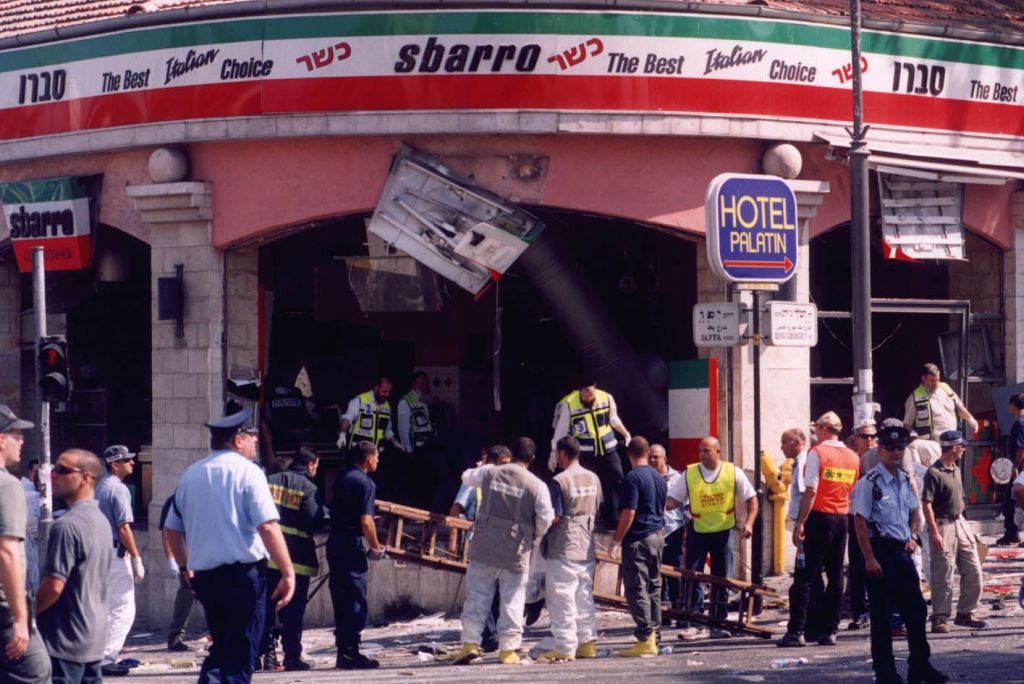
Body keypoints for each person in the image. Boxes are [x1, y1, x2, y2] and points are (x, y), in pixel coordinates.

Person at [163, 407, 296, 684]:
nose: (256, 441)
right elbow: (268, 526)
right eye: (252, 436)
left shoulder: (190, 475)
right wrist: (287, 572)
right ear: (238, 440)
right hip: (243, 577)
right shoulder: (249, 473)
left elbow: (171, 529)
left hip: (206, 579)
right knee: (241, 652)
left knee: (222, 647)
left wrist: (185, 566)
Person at [851, 421, 949, 684]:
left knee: (916, 612)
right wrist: (869, 558)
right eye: (891, 448)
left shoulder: (906, 480)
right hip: (880, 553)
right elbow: (859, 522)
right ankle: (885, 673)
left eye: (900, 448)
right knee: (882, 617)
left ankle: (920, 666)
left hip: (902, 552)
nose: (896, 452)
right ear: (880, 450)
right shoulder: (869, 483)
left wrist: (913, 535)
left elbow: (914, 510)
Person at [453, 437, 553, 666]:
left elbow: (465, 477)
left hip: (484, 546)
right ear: (532, 458)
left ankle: (469, 644)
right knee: (513, 601)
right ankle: (508, 650)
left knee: (477, 598)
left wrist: (482, 466)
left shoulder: (489, 472)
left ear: (511, 452)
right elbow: (546, 518)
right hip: (515, 550)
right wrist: (533, 535)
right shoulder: (537, 485)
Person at [779, 412, 859, 648]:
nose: (814, 433)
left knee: (804, 577)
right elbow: (852, 490)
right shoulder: (852, 457)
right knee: (835, 577)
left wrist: (800, 523)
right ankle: (830, 631)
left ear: (824, 430)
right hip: (841, 519)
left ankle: (796, 631)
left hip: (818, 518)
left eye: (817, 429)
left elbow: (811, 491)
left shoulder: (818, 453)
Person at [668, 436, 757, 640]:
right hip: (697, 530)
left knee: (721, 578)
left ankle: (718, 621)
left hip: (723, 531)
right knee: (694, 577)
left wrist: (749, 523)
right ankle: (696, 623)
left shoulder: (732, 472)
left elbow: (752, 499)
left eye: (706, 450)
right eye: (700, 450)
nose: (702, 454)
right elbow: (673, 500)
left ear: (718, 452)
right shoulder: (690, 473)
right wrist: (655, 504)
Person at [37, 449, 112, 684]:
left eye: (62, 470)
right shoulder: (100, 521)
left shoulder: (67, 526)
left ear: (86, 477)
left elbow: (54, 585)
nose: (53, 476)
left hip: (64, 639)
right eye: (53, 469)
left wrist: (26, 614)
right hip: (92, 637)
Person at [538, 436, 602, 662]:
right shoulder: (594, 478)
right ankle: (587, 643)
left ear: (562, 453)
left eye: (557, 454)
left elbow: (554, 516)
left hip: (563, 546)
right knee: (583, 595)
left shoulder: (559, 481)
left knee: (561, 597)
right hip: (586, 544)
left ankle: (565, 647)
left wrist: (538, 531)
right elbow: (597, 508)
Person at [261, 446, 325, 671]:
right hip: (297, 559)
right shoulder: (309, 487)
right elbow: (314, 522)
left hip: (268, 556)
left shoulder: (269, 481)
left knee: (266, 608)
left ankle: (267, 655)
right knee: (294, 611)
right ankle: (291, 656)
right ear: (311, 464)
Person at [327, 441, 387, 670]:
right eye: (376, 457)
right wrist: (376, 546)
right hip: (351, 544)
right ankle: (351, 652)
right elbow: (366, 521)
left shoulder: (342, 477)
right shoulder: (365, 483)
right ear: (368, 458)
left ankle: (345, 653)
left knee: (341, 597)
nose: (378, 460)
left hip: (335, 542)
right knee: (356, 599)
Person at [0, 406, 50, 683]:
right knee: (36, 672)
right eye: (16, 435)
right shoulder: (7, 486)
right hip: (4, 613)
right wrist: (20, 617)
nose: (21, 441)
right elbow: (7, 552)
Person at [921, 431, 987, 633]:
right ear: (954, 448)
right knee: (944, 572)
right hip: (943, 525)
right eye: (962, 446)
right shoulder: (934, 473)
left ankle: (966, 612)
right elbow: (927, 504)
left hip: (960, 522)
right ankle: (939, 617)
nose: (964, 450)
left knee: (974, 569)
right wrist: (934, 532)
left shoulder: (956, 470)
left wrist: (967, 529)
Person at [448, 445, 512, 654]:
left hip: (501, 541)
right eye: (502, 464)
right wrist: (453, 540)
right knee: (482, 590)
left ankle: (492, 634)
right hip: (478, 539)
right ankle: (488, 635)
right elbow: (455, 510)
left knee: (496, 591)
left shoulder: (509, 483)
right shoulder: (475, 482)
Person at [610, 437, 665, 656]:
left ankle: (645, 637)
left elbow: (629, 512)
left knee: (636, 588)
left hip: (638, 539)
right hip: (657, 536)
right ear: (647, 451)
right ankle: (655, 636)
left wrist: (616, 541)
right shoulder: (659, 477)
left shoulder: (632, 478)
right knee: (654, 587)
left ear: (629, 454)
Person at [549, 382, 631, 527]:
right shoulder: (569, 404)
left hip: (608, 448)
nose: (589, 397)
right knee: (587, 483)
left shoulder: (606, 397)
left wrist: (625, 433)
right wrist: (553, 453)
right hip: (586, 452)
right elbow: (560, 432)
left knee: (616, 479)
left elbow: (613, 419)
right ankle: (592, 517)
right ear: (580, 391)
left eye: (592, 393)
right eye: (586, 394)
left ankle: (615, 519)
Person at [94, 445, 145, 677]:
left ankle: (96, 655)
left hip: (98, 553)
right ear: (115, 464)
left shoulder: (99, 487)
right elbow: (123, 528)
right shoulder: (118, 489)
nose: (132, 463)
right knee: (123, 608)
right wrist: (136, 557)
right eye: (127, 460)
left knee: (104, 608)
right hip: (115, 554)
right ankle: (106, 657)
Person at [338, 377, 405, 500]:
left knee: (374, 484)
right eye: (384, 391)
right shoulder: (360, 400)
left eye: (389, 392)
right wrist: (342, 434)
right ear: (376, 387)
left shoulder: (386, 406)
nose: (387, 394)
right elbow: (347, 418)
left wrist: (396, 444)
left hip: (373, 454)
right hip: (357, 452)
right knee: (352, 482)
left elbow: (387, 431)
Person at [846, 421, 877, 630]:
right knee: (857, 564)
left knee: (878, 563)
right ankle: (859, 612)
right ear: (855, 438)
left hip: (877, 517)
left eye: (872, 436)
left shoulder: (878, 459)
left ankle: (877, 607)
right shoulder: (851, 460)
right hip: (855, 515)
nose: (869, 440)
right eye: (864, 436)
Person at [649, 443, 684, 625]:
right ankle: (662, 614)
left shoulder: (677, 478)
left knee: (675, 573)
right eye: (650, 457)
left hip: (673, 530)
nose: (653, 460)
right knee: (656, 573)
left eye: (656, 457)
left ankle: (678, 611)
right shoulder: (646, 477)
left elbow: (686, 505)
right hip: (654, 531)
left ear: (664, 458)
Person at [903, 363, 978, 441]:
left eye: (937, 380)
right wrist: (914, 442)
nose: (936, 384)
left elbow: (959, 407)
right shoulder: (914, 398)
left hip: (952, 439)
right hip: (933, 444)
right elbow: (907, 425)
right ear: (923, 378)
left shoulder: (945, 387)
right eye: (932, 381)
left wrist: (971, 420)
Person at [157, 494, 194, 652]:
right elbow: (167, 531)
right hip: (187, 556)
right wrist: (171, 558)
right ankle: (175, 637)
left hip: (205, 554)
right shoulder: (175, 500)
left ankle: (219, 637)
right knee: (186, 594)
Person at [998, 393, 1024, 546]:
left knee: (1010, 499)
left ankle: (1012, 533)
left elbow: (1021, 449)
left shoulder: (1019, 424)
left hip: (1020, 469)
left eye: (1010, 405)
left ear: (1014, 405)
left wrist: (1015, 467)